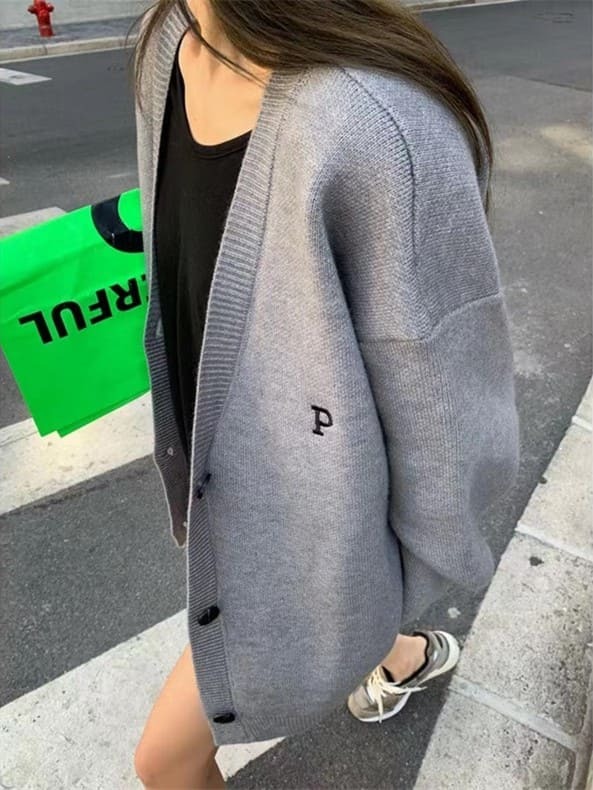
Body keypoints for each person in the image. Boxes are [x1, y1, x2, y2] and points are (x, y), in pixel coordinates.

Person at [131, 0, 521, 787]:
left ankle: (375, 633)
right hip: (221, 458)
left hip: (305, 521)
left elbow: (445, 406)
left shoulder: (376, 124)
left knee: (164, 762)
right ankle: (394, 654)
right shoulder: (162, 41)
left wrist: (368, 587)